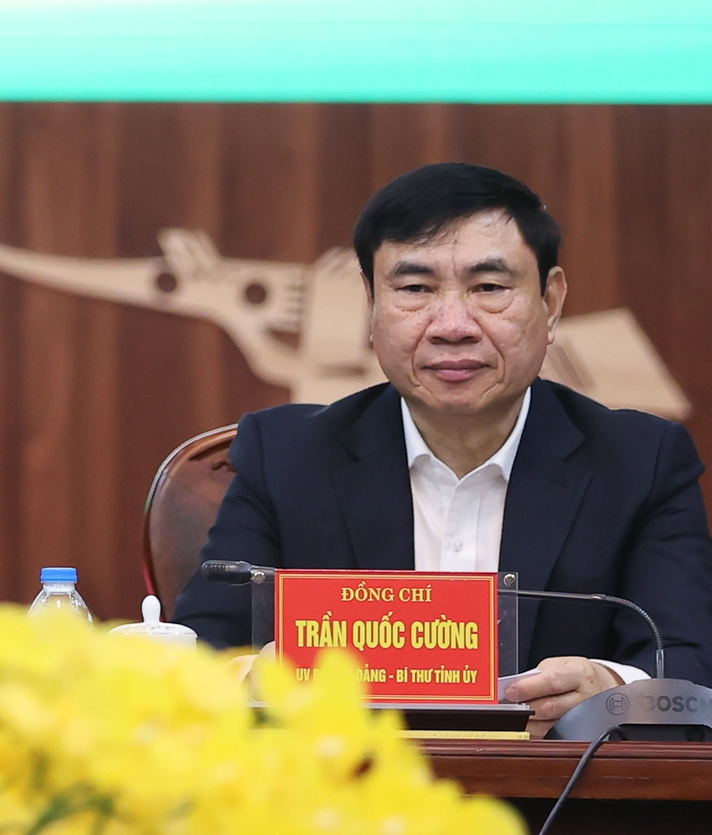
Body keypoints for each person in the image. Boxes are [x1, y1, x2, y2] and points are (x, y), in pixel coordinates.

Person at [175, 162, 712, 721]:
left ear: (550, 303)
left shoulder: (640, 462)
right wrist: (258, 677)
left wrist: (612, 689)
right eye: (415, 289)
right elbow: (197, 654)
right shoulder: (287, 456)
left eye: (489, 288)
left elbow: (686, 666)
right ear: (371, 303)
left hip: (556, 777)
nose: (453, 325)